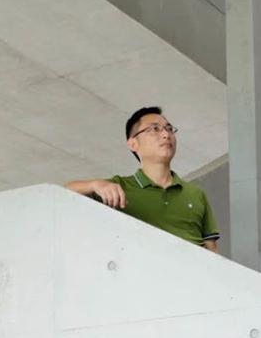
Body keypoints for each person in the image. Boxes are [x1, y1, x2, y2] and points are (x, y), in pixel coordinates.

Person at [65, 106, 220, 252]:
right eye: (154, 129)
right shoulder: (119, 187)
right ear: (133, 144)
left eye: (169, 129)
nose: (166, 135)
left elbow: (212, 252)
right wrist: (95, 185)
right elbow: (63, 194)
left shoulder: (196, 194)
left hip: (192, 270)